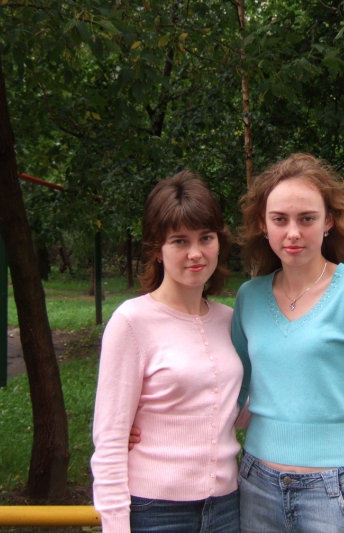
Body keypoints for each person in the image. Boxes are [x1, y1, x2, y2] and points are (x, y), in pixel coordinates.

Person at [232, 153, 344, 533]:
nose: (293, 233)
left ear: (328, 221)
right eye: (279, 219)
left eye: (307, 219)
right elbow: (232, 388)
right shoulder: (249, 297)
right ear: (263, 224)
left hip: (338, 492)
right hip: (256, 487)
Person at [91, 171, 243, 533]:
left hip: (227, 507)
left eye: (205, 238)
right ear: (157, 250)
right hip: (156, 511)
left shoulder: (230, 320)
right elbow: (110, 440)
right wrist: (115, 524)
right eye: (179, 241)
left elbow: (238, 411)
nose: (195, 253)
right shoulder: (132, 321)